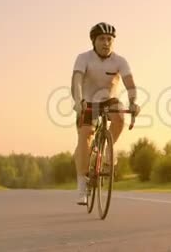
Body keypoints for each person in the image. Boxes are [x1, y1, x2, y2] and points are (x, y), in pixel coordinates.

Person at [70, 22, 141, 205]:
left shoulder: (120, 61)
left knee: (119, 117)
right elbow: (77, 81)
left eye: (109, 39)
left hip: (109, 99)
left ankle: (108, 150)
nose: (106, 42)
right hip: (88, 100)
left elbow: (130, 84)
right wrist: (78, 102)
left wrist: (133, 102)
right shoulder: (83, 58)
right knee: (85, 135)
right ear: (94, 41)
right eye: (102, 39)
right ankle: (82, 185)